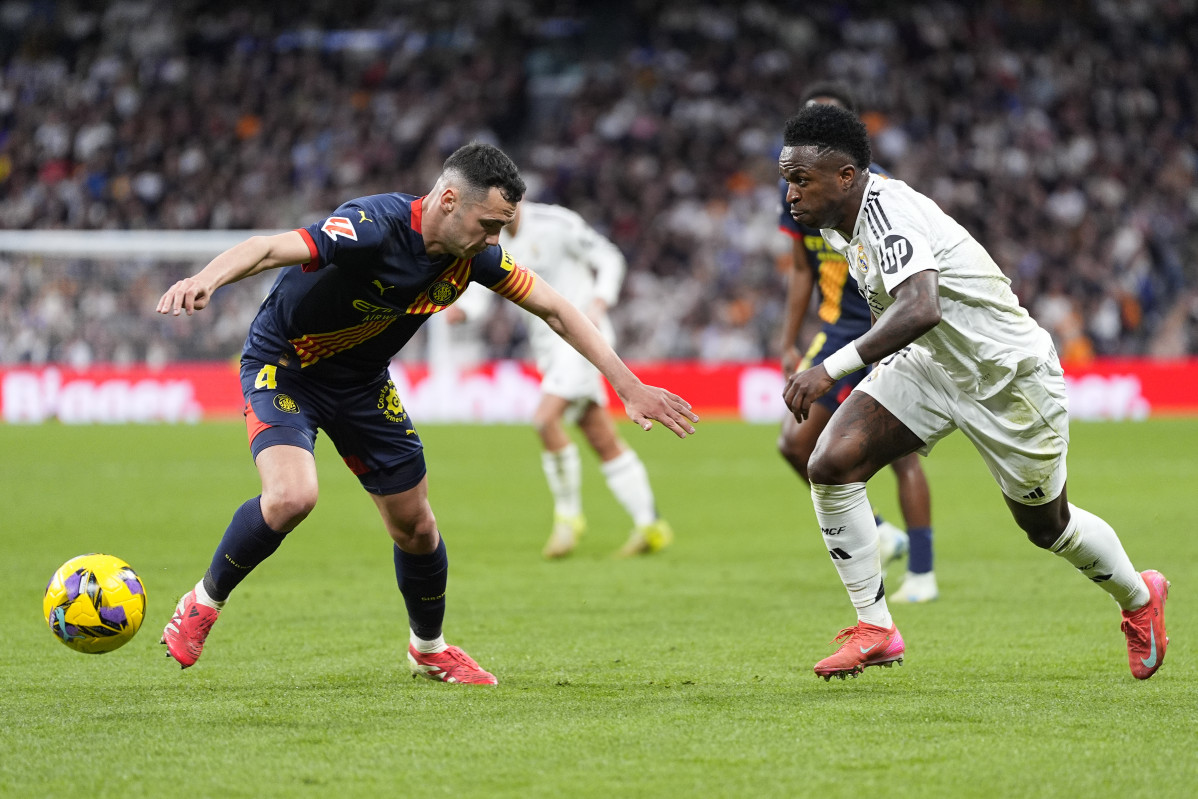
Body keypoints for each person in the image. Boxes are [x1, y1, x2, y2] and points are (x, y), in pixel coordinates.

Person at [155, 142, 699, 685]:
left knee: (416, 526)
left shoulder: (475, 257)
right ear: (447, 200)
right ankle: (202, 601)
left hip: (362, 385)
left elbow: (557, 309)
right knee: (293, 496)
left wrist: (629, 386)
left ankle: (428, 648)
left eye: (503, 228)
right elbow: (270, 247)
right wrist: (207, 279)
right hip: (286, 366)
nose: (495, 241)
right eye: (488, 224)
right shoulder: (371, 225)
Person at [778, 104, 1168, 681]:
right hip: (933, 366)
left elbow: (921, 307)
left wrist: (828, 369)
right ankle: (876, 628)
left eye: (800, 180)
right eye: (787, 180)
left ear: (846, 176)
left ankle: (1140, 599)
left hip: (1008, 378)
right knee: (831, 463)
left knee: (1047, 527)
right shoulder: (840, 224)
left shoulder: (889, 214)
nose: (790, 195)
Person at [776, 82, 936, 600]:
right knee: (796, 444)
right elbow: (802, 269)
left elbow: (915, 290)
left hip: (881, 323)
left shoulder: (876, 195)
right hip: (832, 328)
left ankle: (923, 573)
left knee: (900, 454)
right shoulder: (799, 193)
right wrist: (788, 339)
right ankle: (882, 533)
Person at [450, 201, 673, 558]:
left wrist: (600, 300)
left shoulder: (556, 223)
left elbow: (609, 256)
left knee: (544, 419)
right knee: (600, 437)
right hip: (549, 349)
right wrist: (464, 311)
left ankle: (568, 520)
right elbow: (482, 283)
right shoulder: (491, 239)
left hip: (585, 340)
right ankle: (650, 525)